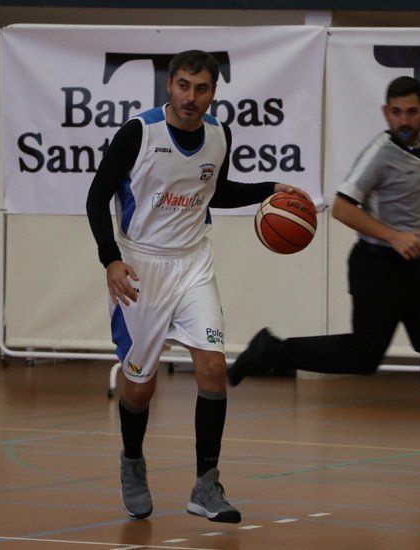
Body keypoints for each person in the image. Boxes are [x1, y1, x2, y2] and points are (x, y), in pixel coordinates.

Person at [227, 76, 420, 478]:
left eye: (411, 111)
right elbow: (342, 208)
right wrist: (393, 236)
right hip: (376, 264)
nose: (404, 119)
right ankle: (271, 351)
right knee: (362, 357)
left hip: (413, 264)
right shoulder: (379, 152)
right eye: (396, 112)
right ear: (386, 113)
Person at [86, 50, 310, 522]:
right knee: (140, 387)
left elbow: (218, 192)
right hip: (141, 269)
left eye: (202, 88)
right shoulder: (138, 133)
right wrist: (111, 259)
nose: (192, 97)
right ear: (170, 86)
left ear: (213, 92)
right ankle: (131, 460)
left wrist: (271, 189)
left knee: (211, 368)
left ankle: (206, 485)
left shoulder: (219, 135)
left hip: (193, 264)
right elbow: (96, 195)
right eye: (184, 85)